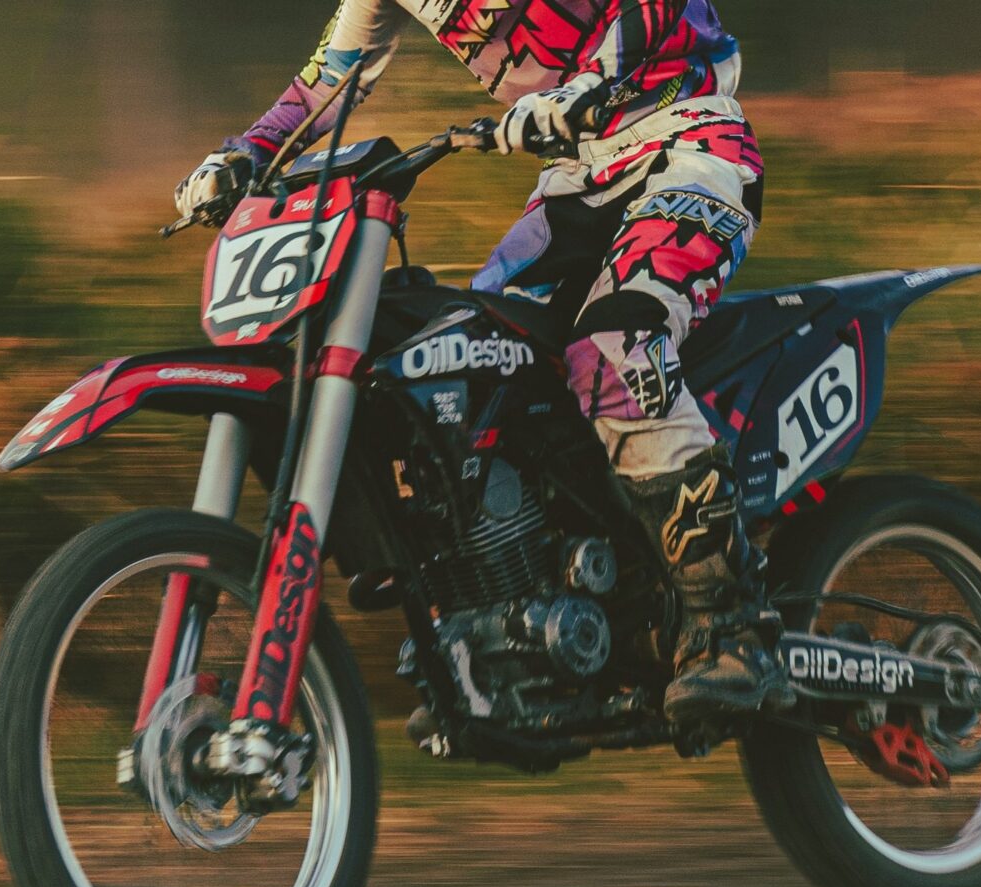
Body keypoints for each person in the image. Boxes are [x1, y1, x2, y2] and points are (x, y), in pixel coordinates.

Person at [174, 1, 780, 723]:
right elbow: (322, 88)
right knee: (474, 360)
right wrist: (244, 154)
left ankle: (733, 626)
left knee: (614, 348)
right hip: (576, 177)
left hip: (689, 144)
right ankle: (518, 622)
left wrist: (592, 85)